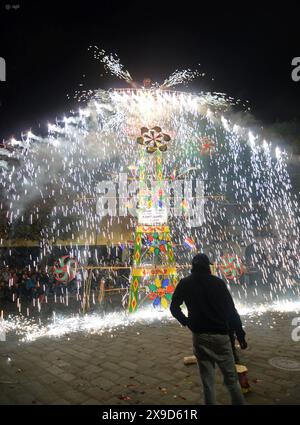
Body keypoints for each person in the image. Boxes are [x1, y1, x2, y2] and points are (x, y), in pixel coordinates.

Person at [170, 253, 247, 405]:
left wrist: (186, 322)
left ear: (193, 266)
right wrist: (240, 334)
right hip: (222, 337)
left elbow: (174, 307)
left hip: (200, 337)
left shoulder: (185, 283)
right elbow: (231, 311)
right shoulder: (218, 283)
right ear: (208, 266)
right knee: (232, 381)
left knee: (208, 383)